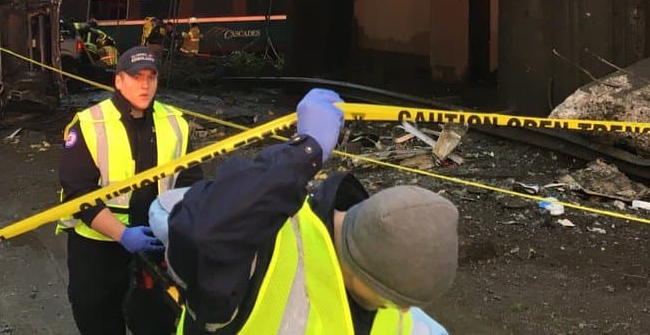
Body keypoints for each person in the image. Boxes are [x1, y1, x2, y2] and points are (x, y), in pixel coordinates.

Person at [164, 88, 458, 334]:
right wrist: (303, 153)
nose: (404, 310)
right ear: (363, 270)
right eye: (393, 299)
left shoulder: (398, 318)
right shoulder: (266, 248)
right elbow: (203, 232)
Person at [58, 45, 199, 335]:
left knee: (158, 321)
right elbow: (78, 193)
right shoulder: (88, 124)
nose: (144, 85)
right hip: (98, 245)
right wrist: (122, 234)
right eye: (136, 77)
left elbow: (190, 185)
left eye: (151, 77)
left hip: (156, 241)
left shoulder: (176, 123)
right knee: (96, 317)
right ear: (119, 81)